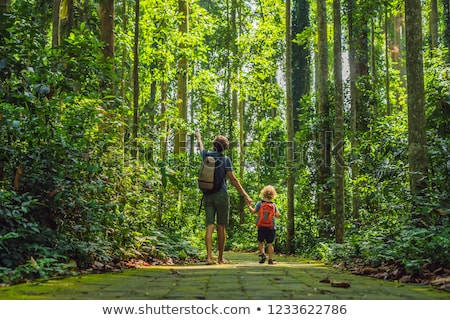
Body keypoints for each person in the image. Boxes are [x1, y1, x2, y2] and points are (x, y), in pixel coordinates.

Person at [195, 129, 253, 265]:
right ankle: (220, 258)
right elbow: (233, 180)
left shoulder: (206, 155)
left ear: (214, 145)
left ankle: (209, 257)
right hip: (221, 194)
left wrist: (199, 136)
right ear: (225, 148)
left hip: (207, 195)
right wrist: (246, 195)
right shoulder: (225, 159)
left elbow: (200, 146)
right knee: (221, 226)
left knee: (209, 226)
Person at [247, 185, 280, 264]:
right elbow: (277, 215)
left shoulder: (259, 203)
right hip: (271, 227)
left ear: (263, 194)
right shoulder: (273, 205)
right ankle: (270, 259)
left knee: (260, 241)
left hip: (261, 226)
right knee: (270, 243)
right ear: (273, 195)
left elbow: (253, 211)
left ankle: (262, 254)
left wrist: (249, 206)